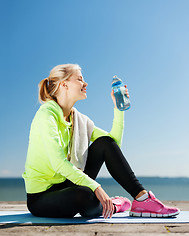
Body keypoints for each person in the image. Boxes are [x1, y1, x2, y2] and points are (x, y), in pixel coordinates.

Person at [23, 64, 180, 219]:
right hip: (42, 197)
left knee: (104, 142)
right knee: (84, 195)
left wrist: (119, 109)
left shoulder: (79, 120)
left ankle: (142, 199)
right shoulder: (46, 115)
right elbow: (58, 163)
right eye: (79, 79)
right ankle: (113, 205)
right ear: (64, 84)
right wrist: (96, 187)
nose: (85, 84)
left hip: (68, 182)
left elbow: (112, 145)